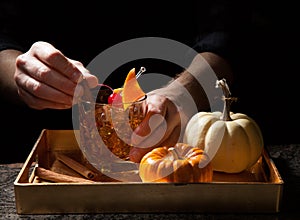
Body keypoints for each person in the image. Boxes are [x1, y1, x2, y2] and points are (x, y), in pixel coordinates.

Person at [1, 0, 298, 163]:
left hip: (189, 146)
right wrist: (25, 73)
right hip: (44, 145)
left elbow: (230, 35)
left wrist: (182, 94)